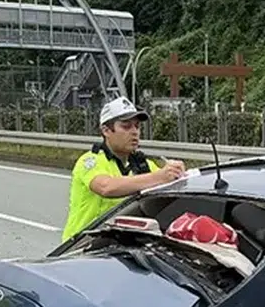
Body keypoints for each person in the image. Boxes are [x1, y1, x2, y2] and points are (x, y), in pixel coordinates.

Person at [61, 97, 186, 241]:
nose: (134, 132)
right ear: (106, 130)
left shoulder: (143, 164)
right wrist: (160, 177)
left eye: (137, 126)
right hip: (81, 246)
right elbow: (106, 187)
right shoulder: (90, 161)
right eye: (126, 126)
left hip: (119, 245)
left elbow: (165, 188)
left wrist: (177, 175)